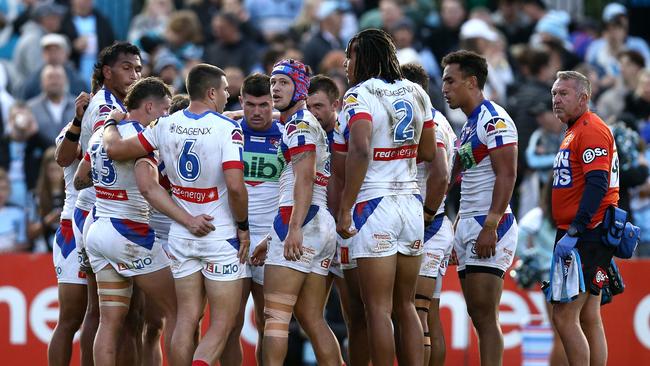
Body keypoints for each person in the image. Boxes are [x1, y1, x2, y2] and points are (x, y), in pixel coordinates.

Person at [101, 64, 250, 366]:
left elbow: (117, 151)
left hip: (182, 234)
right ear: (211, 92)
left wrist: (109, 125)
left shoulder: (165, 124)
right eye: (224, 89)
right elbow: (235, 186)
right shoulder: (227, 129)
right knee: (222, 322)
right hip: (218, 233)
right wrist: (244, 227)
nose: (227, 95)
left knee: (186, 317)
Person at [335, 29, 436, 366]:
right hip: (410, 201)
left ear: (361, 58)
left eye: (349, 56)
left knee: (377, 307)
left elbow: (360, 148)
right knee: (405, 305)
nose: (345, 64)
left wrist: (346, 207)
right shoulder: (418, 92)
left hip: (373, 205)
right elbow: (428, 151)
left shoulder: (356, 95)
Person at [72, 77, 178, 366]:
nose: (166, 116)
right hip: (129, 231)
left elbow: (80, 180)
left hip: (98, 229)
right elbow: (149, 189)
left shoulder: (101, 135)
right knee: (179, 311)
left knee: (110, 320)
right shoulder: (141, 139)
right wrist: (187, 218)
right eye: (165, 109)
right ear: (149, 106)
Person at [55, 41, 142, 365]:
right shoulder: (107, 109)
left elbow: (64, 154)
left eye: (138, 68)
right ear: (107, 73)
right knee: (99, 315)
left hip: (98, 214)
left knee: (111, 315)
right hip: (93, 213)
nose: (134, 74)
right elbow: (78, 163)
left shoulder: (108, 104)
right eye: (127, 68)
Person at [257, 58, 342, 366]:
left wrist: (292, 228)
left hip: (300, 219)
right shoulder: (303, 122)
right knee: (311, 318)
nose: (275, 88)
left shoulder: (299, 124)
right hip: (319, 224)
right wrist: (272, 237)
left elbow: (304, 178)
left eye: (284, 82)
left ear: (301, 87)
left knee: (276, 317)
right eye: (273, 82)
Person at [441, 50, 518, 366]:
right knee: (476, 313)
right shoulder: (469, 124)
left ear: (471, 82)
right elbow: (467, 178)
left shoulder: (494, 119)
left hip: (491, 225)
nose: (444, 88)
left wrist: (490, 225)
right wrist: (459, 222)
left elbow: (508, 173)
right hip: (470, 221)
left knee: (486, 316)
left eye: (450, 80)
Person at [550, 70, 620, 366]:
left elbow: (597, 184)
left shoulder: (590, 129)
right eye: (554, 93)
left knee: (565, 316)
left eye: (563, 93)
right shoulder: (575, 129)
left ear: (584, 98)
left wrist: (577, 228)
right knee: (589, 315)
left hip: (586, 235)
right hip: (586, 233)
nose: (556, 99)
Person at [221, 73, 283, 366]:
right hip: (233, 236)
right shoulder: (228, 129)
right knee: (229, 324)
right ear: (240, 102)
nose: (256, 112)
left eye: (264, 105)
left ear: (273, 104)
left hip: (269, 239)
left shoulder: (287, 133)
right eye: (249, 105)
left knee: (266, 321)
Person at [401, 62, 456, 366]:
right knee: (429, 311)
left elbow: (441, 174)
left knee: (417, 309)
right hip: (436, 222)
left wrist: (425, 216)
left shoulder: (428, 123)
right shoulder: (441, 121)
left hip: (427, 225)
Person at [307, 74, 362, 364]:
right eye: (308, 106)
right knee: (309, 316)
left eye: (319, 106)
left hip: (345, 231)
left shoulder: (350, 132)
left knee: (355, 315)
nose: (313, 113)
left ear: (336, 104)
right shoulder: (303, 130)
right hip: (316, 231)